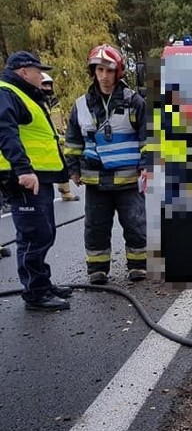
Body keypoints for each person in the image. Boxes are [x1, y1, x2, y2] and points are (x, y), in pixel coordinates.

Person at [65, 44, 149, 284]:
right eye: (99, 70)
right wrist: (73, 169)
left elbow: (147, 138)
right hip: (95, 181)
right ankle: (97, 269)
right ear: (93, 72)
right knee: (96, 227)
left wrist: (146, 165)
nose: (104, 76)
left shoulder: (134, 102)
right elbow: (72, 140)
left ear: (117, 72)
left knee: (135, 223)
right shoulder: (81, 105)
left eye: (109, 70)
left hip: (128, 179)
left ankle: (137, 266)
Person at [0, 51, 72, 310]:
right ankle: (35, 292)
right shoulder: (7, 92)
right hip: (24, 177)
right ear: (23, 71)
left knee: (45, 231)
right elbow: (5, 133)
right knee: (33, 234)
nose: (41, 75)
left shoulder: (23, 94)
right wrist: (23, 169)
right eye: (37, 70)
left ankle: (42, 282)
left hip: (37, 175)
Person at [40, 73, 79, 202]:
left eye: (48, 84)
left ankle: (66, 192)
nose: (47, 88)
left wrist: (63, 135)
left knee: (62, 165)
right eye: (44, 85)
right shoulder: (37, 101)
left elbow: (59, 120)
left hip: (57, 139)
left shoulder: (54, 101)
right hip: (42, 141)